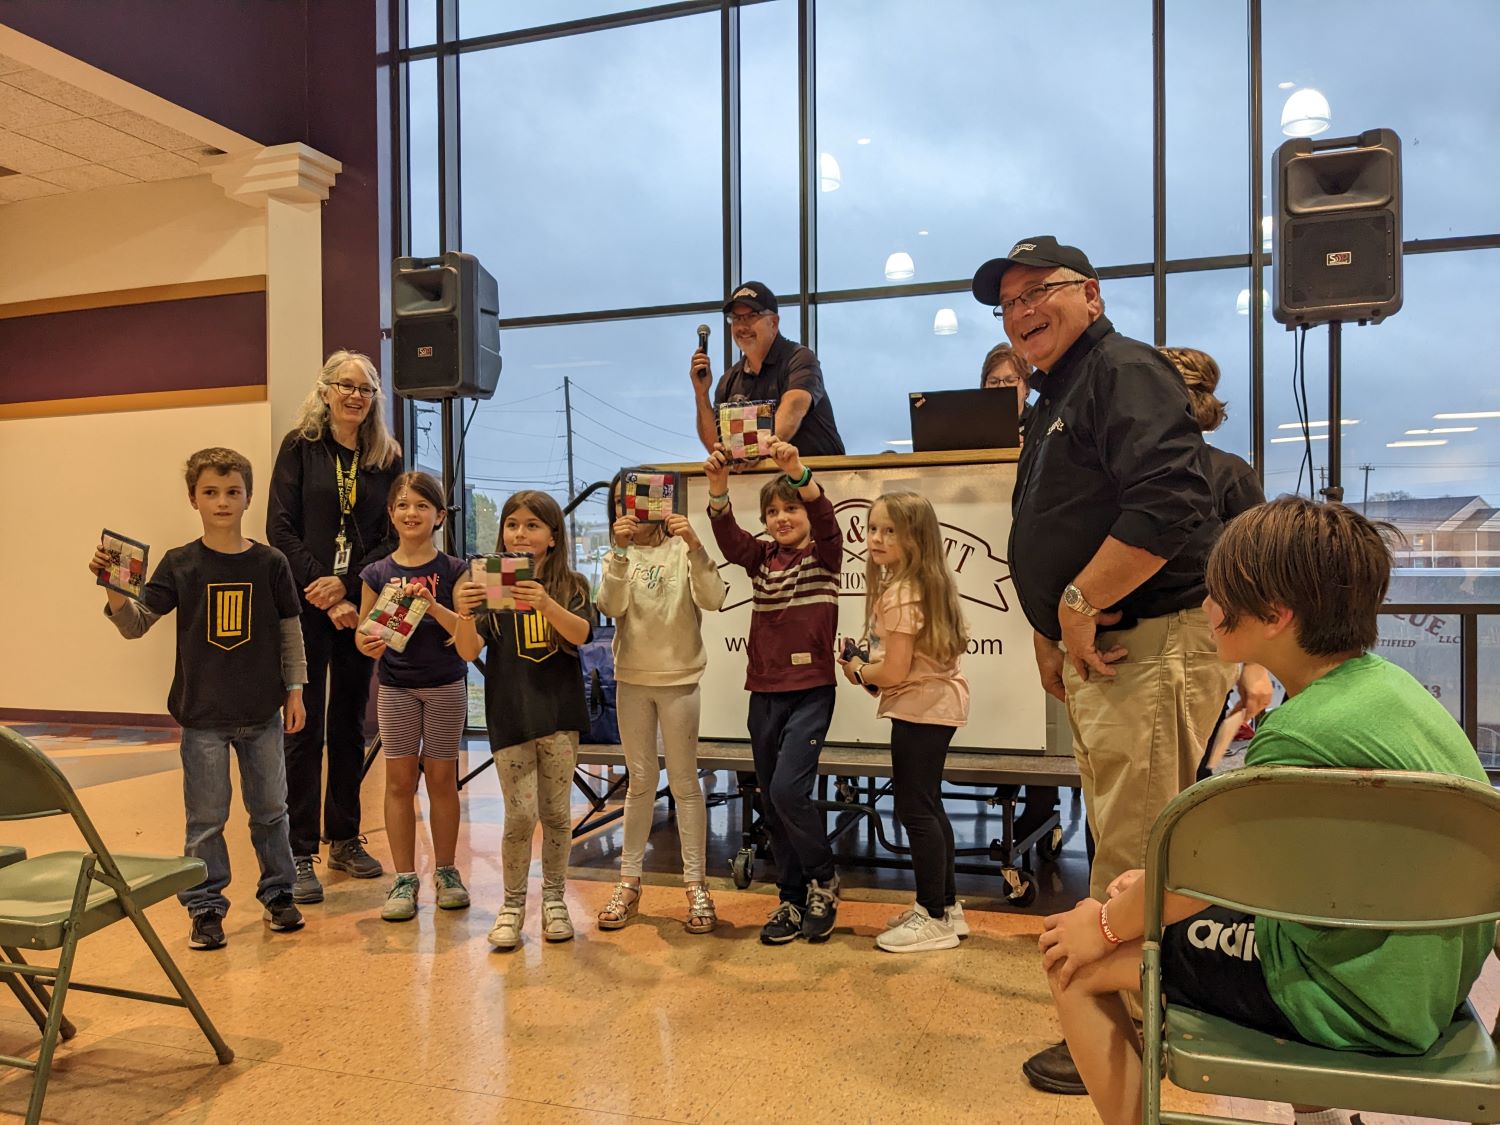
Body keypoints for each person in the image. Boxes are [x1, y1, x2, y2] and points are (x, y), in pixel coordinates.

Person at [1038, 497, 1495, 1125]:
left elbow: (1198, 878)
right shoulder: (1392, 690)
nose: (1205, 608)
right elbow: (1262, 872)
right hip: (1424, 986)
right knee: (1140, 896)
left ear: (1275, 615)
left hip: (1348, 997)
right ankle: (1319, 1118)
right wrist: (1144, 890)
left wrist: (1107, 924)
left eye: (1219, 595)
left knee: (1075, 961)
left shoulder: (1296, 735)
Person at [970, 236, 1237, 1094]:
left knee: (1139, 851)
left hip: (1150, 642)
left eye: (1037, 293)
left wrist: (1076, 604)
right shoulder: (1060, 389)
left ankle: (1131, 1040)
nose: (1021, 314)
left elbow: (1171, 495)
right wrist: (1052, 625)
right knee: (1121, 835)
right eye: (1008, 305)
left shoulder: (1122, 368)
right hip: (1107, 652)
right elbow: (1058, 525)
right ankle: (1123, 1021)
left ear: (1089, 292)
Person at [92, 447, 307, 951]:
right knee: (206, 819)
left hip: (262, 714)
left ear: (248, 496)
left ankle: (279, 893)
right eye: (210, 492)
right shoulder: (180, 564)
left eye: (233, 492)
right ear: (193, 499)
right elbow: (136, 626)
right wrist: (115, 591)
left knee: (272, 810)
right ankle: (206, 906)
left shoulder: (270, 562)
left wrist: (294, 690)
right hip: (202, 717)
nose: (223, 501)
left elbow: (290, 631)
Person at [268, 349, 402, 903]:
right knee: (304, 727)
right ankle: (299, 851)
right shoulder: (301, 448)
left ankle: (344, 837)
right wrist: (324, 589)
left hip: (361, 604)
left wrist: (349, 589)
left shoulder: (385, 457)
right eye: (345, 386)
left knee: (349, 721)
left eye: (366, 389)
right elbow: (280, 527)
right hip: (306, 605)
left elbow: (394, 536)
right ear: (325, 391)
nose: (355, 396)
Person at [704, 438, 844, 944]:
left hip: (810, 692)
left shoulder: (826, 555)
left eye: (791, 508)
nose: (782, 517)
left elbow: (826, 519)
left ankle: (824, 879)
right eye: (773, 511)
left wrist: (799, 473)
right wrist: (718, 489)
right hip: (762, 692)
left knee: (789, 790)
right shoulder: (762, 558)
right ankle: (789, 897)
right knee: (772, 796)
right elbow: (729, 539)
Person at [452, 490, 594, 950]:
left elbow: (580, 637)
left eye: (532, 525)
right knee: (519, 815)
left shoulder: (572, 585)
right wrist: (463, 612)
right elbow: (469, 651)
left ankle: (554, 898)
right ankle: (512, 905)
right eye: (512, 524)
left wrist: (546, 603)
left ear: (552, 537)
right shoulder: (491, 586)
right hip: (511, 712)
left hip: (559, 714)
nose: (520, 533)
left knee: (555, 813)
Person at [838, 491, 971, 954]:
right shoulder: (925, 584)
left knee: (916, 811)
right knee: (929, 806)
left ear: (915, 539)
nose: (876, 538)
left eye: (890, 531)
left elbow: (892, 672)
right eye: (873, 528)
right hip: (933, 706)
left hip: (920, 710)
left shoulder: (899, 593)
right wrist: (870, 672)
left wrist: (857, 670)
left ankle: (931, 914)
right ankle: (947, 907)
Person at [594, 492, 726, 934]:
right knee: (640, 782)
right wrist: (617, 552)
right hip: (632, 680)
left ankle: (696, 886)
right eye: (619, 502)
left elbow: (714, 598)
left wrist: (696, 546)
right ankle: (629, 884)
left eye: (639, 499)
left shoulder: (681, 550)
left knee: (686, 783)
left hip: (680, 680)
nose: (629, 509)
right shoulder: (619, 554)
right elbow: (610, 606)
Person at [354, 472, 473, 923]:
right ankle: (404, 878)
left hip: (445, 686)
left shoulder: (455, 570)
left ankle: (446, 871)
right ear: (391, 513)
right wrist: (367, 642)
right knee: (399, 782)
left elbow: (466, 634)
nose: (411, 513)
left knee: (443, 780)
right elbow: (365, 636)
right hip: (396, 688)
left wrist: (431, 602)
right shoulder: (376, 573)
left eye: (422, 506)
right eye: (403, 505)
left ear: (439, 515)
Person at [1159, 345, 1274, 773]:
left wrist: (1254, 666)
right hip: (1125, 647)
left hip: (1202, 645)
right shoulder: (1119, 474)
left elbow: (1254, 578)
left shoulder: (1229, 474)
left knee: (1189, 773)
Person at [691, 281, 845, 458]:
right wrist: (701, 394)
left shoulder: (799, 359)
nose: (742, 326)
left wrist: (751, 454)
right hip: (758, 482)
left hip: (818, 478)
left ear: (773, 323)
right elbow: (718, 448)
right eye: (736, 318)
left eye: (751, 316)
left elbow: (793, 409)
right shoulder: (729, 380)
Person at [980, 341, 1033, 438]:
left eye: (1010, 380)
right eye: (993, 382)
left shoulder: (1040, 422)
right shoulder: (973, 423)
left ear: (1027, 386)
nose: (1001, 387)